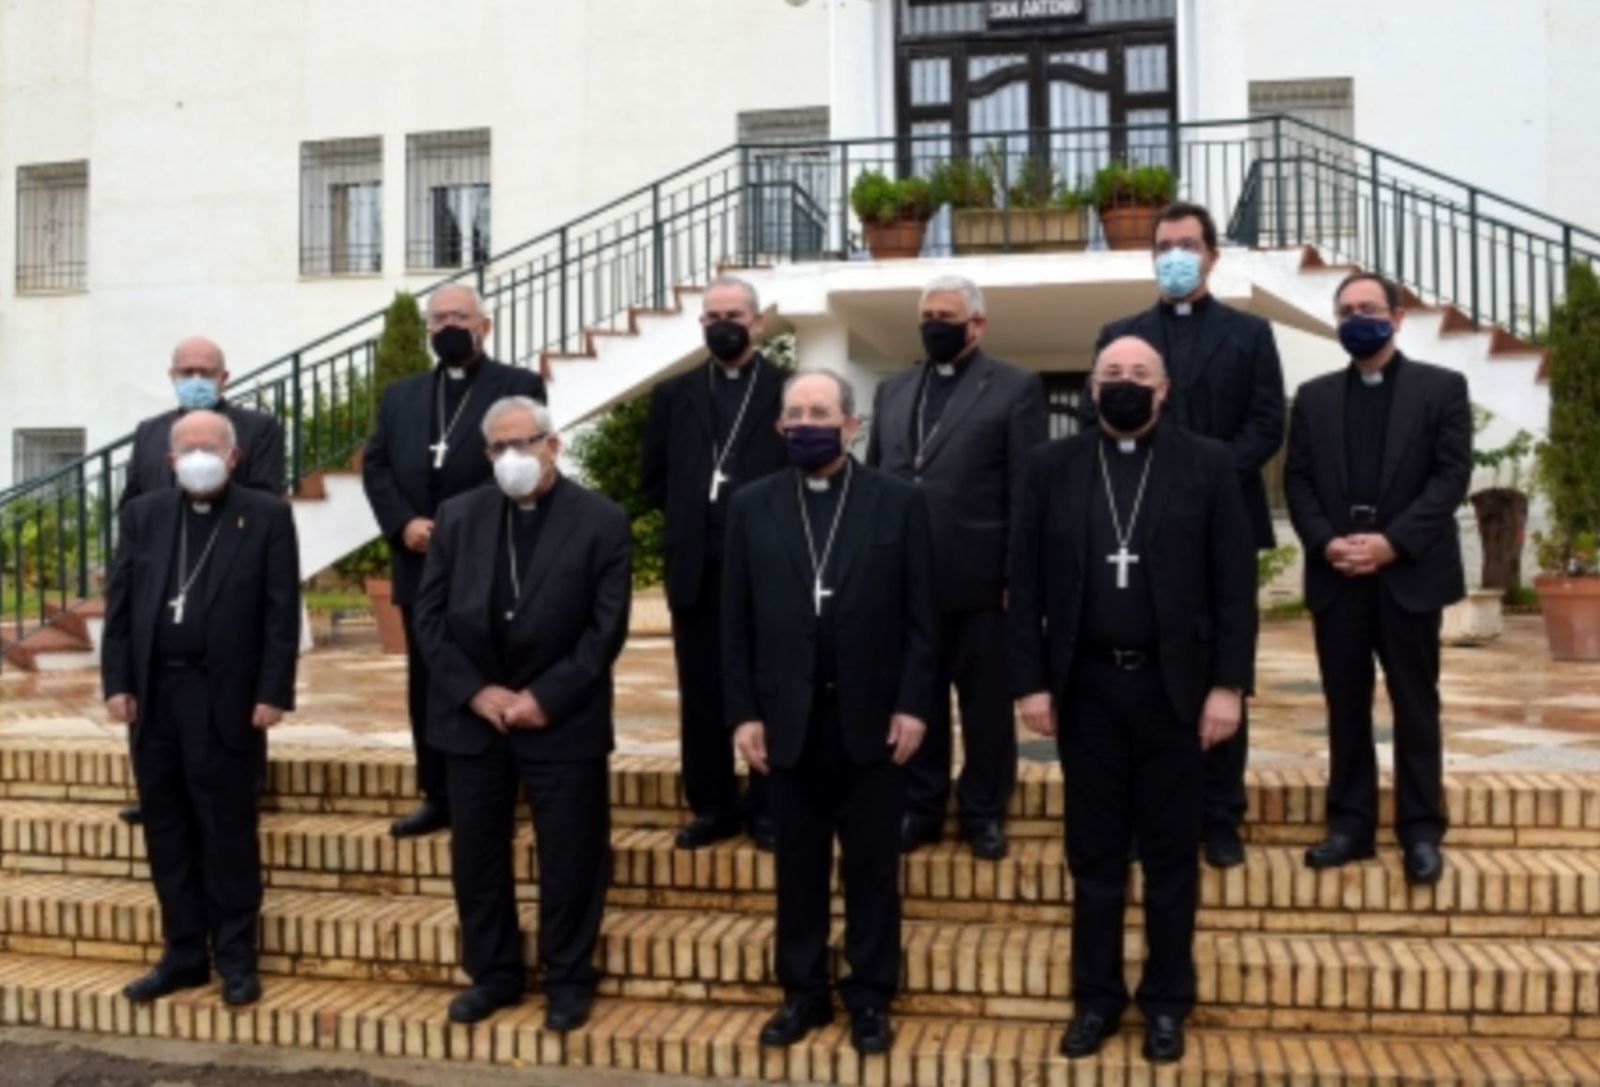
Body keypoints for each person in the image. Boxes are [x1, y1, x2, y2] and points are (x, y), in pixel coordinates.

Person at [1010, 336, 1256, 1063]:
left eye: (1138, 374)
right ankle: (1095, 1000)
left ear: (1164, 388)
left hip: (1174, 690)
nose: (1124, 383)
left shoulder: (1208, 464)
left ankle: (1167, 1004)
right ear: (1091, 389)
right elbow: (1024, 583)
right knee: (1093, 856)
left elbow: (1234, 586)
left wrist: (1227, 685)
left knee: (1172, 856)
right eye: (1111, 373)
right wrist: (1030, 681)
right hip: (1086, 687)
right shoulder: (1051, 466)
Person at [724, 369, 937, 1055]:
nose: (806, 424)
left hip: (874, 721)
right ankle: (803, 992)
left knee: (872, 868)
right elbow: (734, 625)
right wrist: (744, 714)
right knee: (798, 868)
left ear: (850, 424)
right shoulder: (751, 505)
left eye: (820, 412)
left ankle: (870, 996)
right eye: (795, 414)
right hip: (787, 722)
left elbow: (923, 619)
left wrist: (914, 705)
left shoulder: (899, 501)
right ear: (779, 426)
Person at [413, 395, 630, 1031]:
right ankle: (494, 974)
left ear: (552, 445)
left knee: (571, 856)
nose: (512, 456)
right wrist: (476, 692)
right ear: (486, 455)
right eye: (499, 447)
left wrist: (545, 698)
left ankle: (568, 977)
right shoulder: (459, 516)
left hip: (563, 717)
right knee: (477, 855)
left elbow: (605, 630)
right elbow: (428, 619)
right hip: (473, 718)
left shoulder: (601, 519)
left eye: (524, 443)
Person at [1081, 202, 1285, 869]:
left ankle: (1220, 814)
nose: (1175, 255)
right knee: (1149, 678)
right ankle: (1142, 814)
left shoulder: (1251, 334)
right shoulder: (1120, 336)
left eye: (1188, 244)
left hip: (1224, 521)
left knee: (1222, 668)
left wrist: (1200, 479)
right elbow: (1095, 420)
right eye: (1164, 245)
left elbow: (1266, 425)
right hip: (1133, 524)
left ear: (1212, 255)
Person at [101, 409, 300, 1008]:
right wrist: (117, 682)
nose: (198, 457)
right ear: (169, 461)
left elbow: (281, 610)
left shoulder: (266, 515)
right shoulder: (143, 515)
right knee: (166, 830)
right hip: (155, 697)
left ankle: (236, 959)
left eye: (210, 446)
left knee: (227, 831)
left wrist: (273, 691)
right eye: (186, 449)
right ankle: (184, 955)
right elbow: (120, 606)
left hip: (227, 699)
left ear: (233, 456)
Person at [1284, 272, 1471, 886]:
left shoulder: (1441, 388)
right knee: (1345, 705)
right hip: (1338, 571)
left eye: (1368, 308)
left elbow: (1450, 478)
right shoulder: (1312, 397)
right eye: (1345, 311)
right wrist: (1325, 541)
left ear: (1396, 317)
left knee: (1414, 704)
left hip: (1407, 571)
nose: (1356, 318)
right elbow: (1297, 481)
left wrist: (1393, 543)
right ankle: (1349, 825)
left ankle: (1421, 829)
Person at [866, 274, 1047, 860]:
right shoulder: (893, 389)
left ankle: (983, 811)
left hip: (980, 582)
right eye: (927, 317)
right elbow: (874, 484)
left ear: (977, 324)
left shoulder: (1015, 387)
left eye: (946, 317)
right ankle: (921, 807)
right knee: (916, 701)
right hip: (904, 581)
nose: (934, 327)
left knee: (985, 708)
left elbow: (1026, 493)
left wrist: (1016, 579)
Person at [362, 284, 547, 839]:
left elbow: (523, 463)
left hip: (490, 555)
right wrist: (403, 523)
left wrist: (463, 528)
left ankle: (504, 791)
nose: (448, 327)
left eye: (459, 317)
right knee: (429, 678)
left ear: (484, 325)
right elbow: (376, 466)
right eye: (438, 318)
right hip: (420, 559)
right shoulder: (402, 396)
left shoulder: (517, 386)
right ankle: (438, 793)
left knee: (497, 671)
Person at [643, 275, 788, 851]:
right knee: (701, 693)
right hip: (697, 570)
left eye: (733, 315)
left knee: (768, 688)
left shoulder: (787, 389)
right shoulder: (673, 394)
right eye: (712, 317)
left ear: (757, 323)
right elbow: (655, 479)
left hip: (768, 568)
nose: (722, 325)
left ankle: (769, 804)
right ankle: (712, 805)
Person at [116, 335, 286, 826]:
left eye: (205, 372)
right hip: (163, 572)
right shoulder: (150, 432)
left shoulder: (257, 428)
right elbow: (132, 498)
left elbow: (265, 496)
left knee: (233, 695)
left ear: (223, 377)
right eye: (185, 372)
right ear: (171, 377)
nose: (195, 380)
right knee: (154, 697)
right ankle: (157, 792)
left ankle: (245, 787)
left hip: (226, 570)